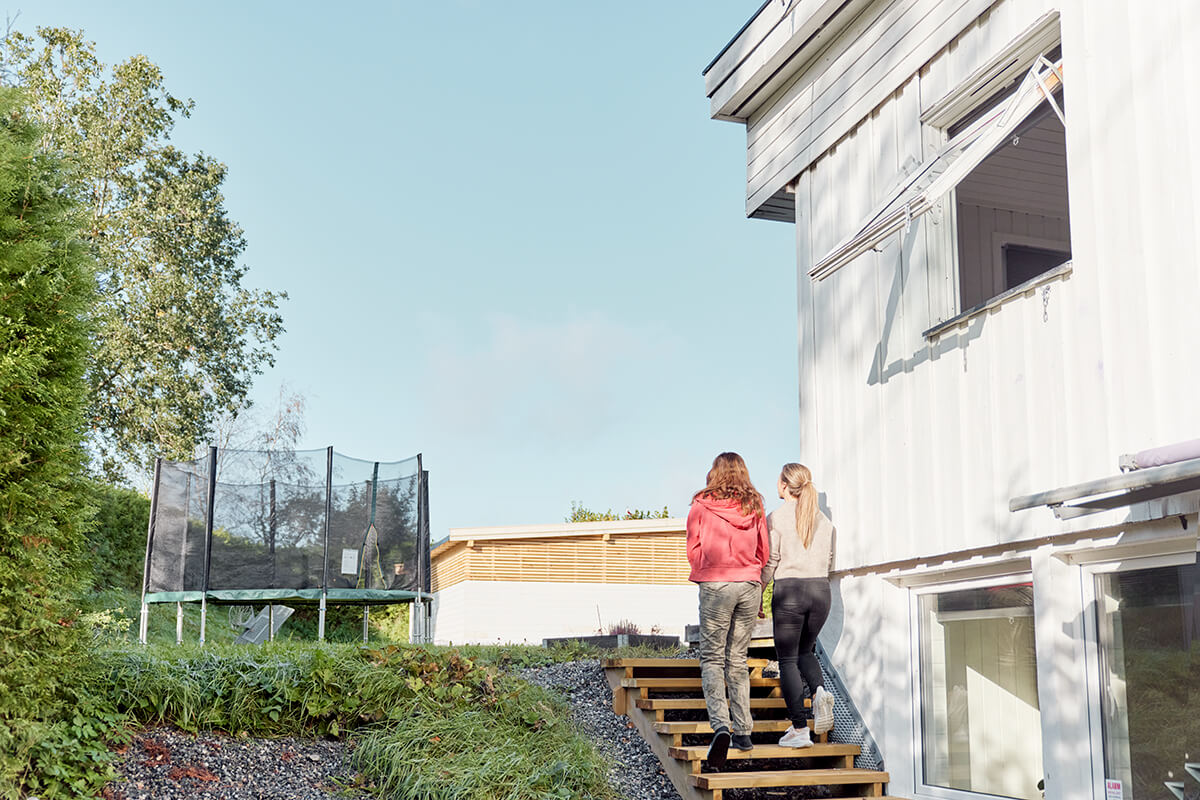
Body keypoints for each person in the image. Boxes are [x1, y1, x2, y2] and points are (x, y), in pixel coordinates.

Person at [686, 452, 770, 769]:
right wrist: (756, 584)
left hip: (716, 584)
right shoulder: (755, 504)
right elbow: (764, 550)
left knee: (712, 657)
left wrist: (706, 571)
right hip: (748, 584)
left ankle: (721, 725)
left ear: (715, 472)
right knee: (737, 658)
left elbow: (693, 548)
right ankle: (744, 732)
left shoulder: (701, 505)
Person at [761, 462, 836, 749]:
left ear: (784, 485)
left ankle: (800, 729)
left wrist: (758, 592)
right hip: (821, 592)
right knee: (806, 650)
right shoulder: (825, 523)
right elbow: (829, 562)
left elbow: (771, 562)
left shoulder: (777, 518)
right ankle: (819, 692)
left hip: (791, 591)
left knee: (788, 660)